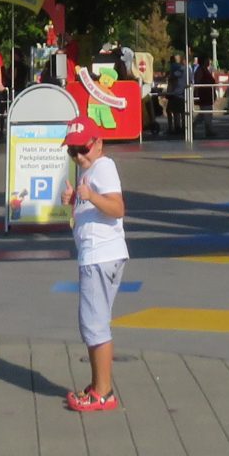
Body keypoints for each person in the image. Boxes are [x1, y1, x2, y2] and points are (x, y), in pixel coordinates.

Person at [60, 115, 128, 414]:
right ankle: (98, 385)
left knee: (94, 326)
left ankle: (103, 393)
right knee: (93, 323)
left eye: (83, 149)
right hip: (98, 255)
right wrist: (74, 201)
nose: (78, 156)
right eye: (72, 151)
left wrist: (90, 196)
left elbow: (117, 208)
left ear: (98, 143)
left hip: (100, 256)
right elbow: (91, 212)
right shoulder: (91, 171)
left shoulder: (103, 166)